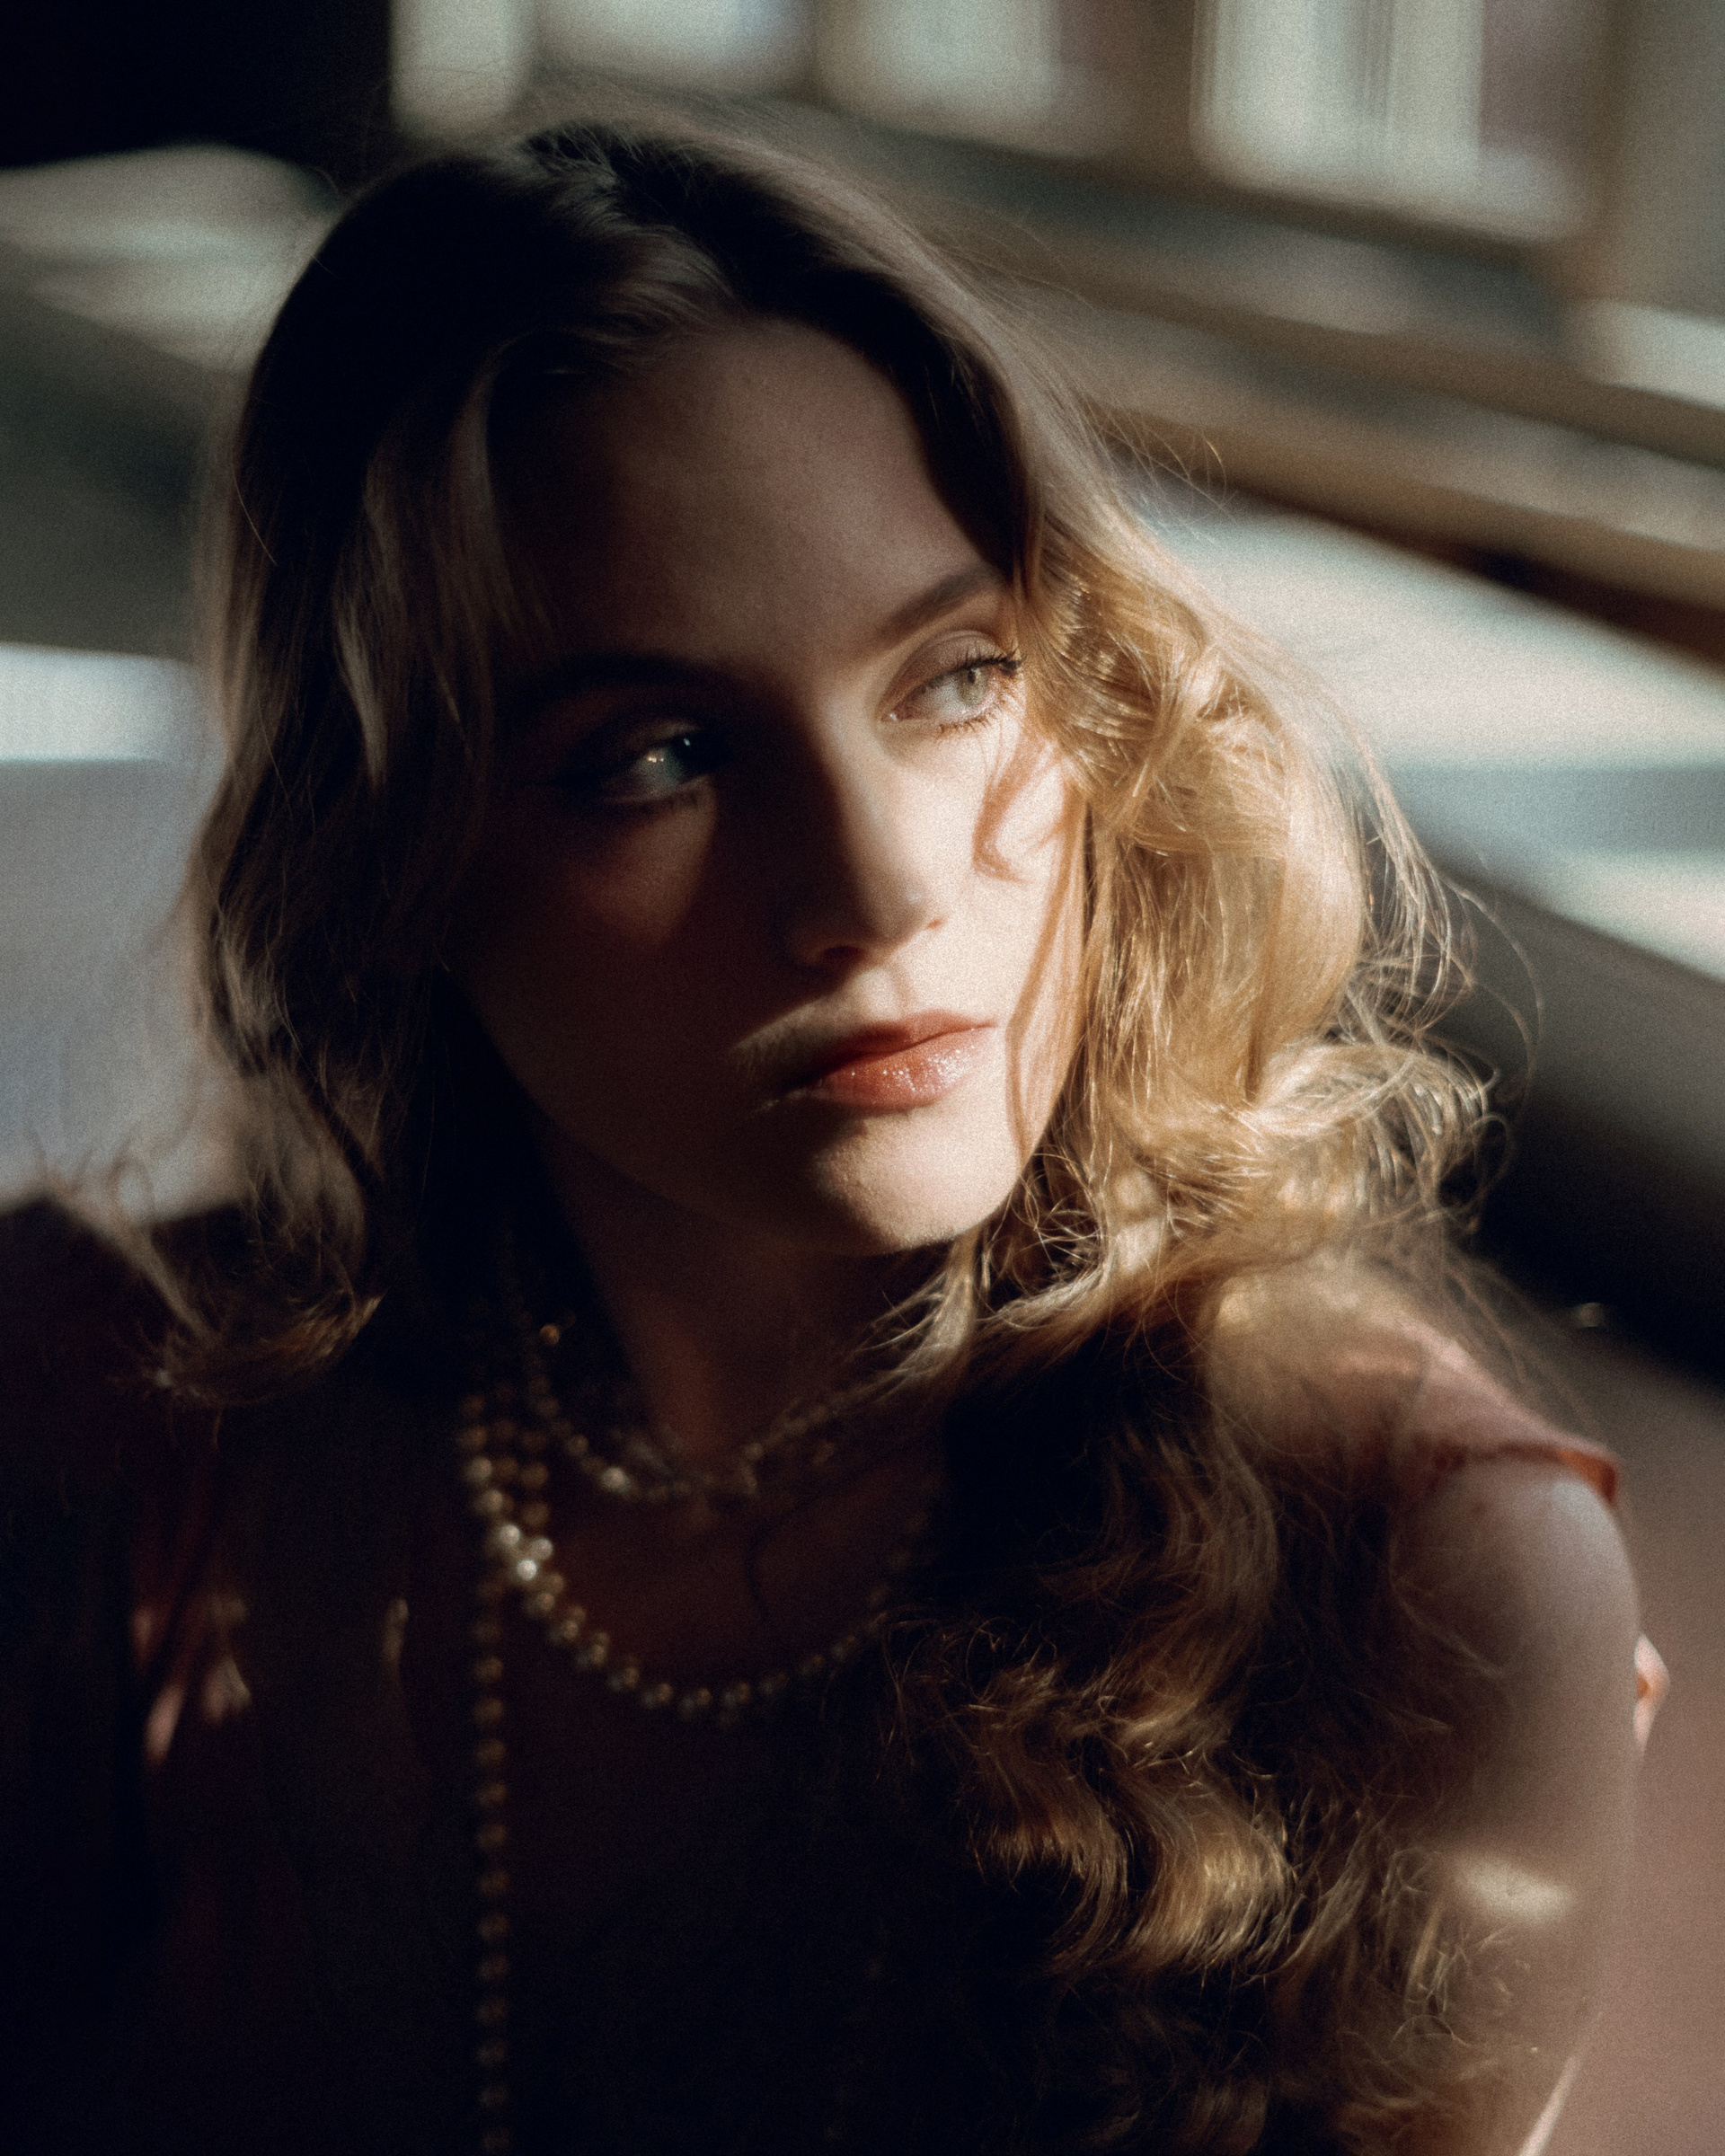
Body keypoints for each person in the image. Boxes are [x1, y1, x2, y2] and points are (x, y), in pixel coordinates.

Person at [0, 121, 1659, 2156]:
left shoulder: (1423, 1587)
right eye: (660, 754)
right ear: (390, 854)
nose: (877, 891)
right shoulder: (101, 1408)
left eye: (956, 679)